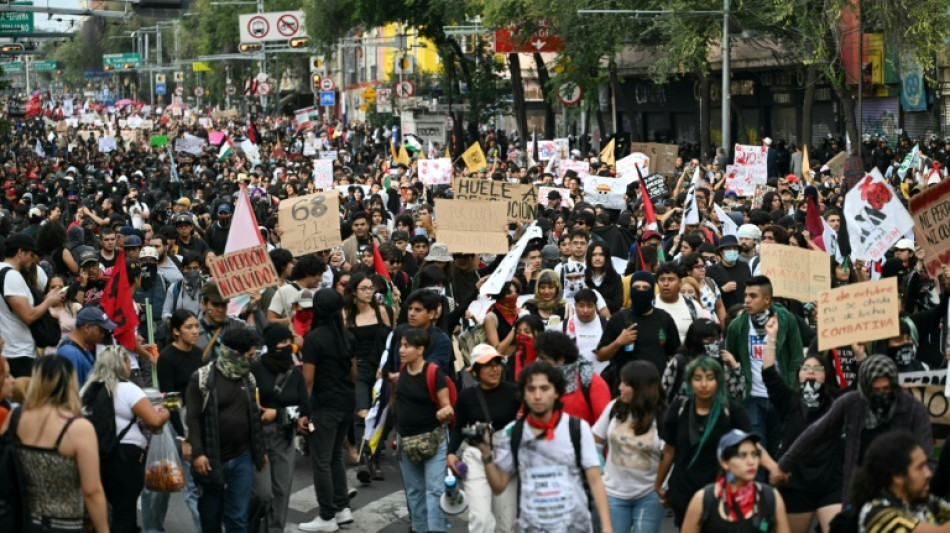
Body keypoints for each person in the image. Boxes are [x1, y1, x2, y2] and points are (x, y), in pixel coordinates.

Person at [773, 355, 933, 503]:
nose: (882, 395)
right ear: (865, 389)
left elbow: (926, 451)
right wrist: (784, 465)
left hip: (901, 488)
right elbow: (816, 433)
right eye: (876, 390)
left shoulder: (913, 409)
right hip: (859, 490)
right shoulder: (851, 404)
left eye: (886, 389)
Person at [479, 361, 613, 533]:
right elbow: (499, 486)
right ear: (524, 394)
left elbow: (595, 480)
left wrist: (607, 527)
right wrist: (486, 454)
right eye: (531, 389)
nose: (537, 395)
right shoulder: (513, 433)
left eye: (544, 388)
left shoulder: (577, 428)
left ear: (557, 392)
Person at [0, 356, 109, 532]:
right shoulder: (78, 428)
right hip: (66, 524)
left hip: (25, 522)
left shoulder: (15, 417)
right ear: (70, 383)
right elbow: (92, 491)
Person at [184, 327, 268, 533]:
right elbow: (192, 419)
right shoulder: (202, 379)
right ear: (234, 353)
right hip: (212, 461)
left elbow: (253, 417)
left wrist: (260, 450)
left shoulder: (248, 379)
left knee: (237, 518)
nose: (253, 360)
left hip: (242, 458)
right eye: (249, 355)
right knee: (211, 519)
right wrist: (198, 453)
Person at [761, 322, 843, 533]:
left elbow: (862, 385)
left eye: (817, 369)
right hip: (795, 483)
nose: (811, 373)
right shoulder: (789, 400)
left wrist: (859, 354)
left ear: (826, 375)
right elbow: (769, 373)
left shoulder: (839, 402)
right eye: (806, 368)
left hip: (830, 484)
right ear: (799, 374)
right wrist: (771, 338)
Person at [656, 356, 755, 526]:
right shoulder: (678, 409)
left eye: (710, 378)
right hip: (683, 490)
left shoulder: (732, 411)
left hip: (721, 490)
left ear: (718, 381)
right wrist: (658, 485)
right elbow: (669, 451)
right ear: (689, 382)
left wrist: (773, 469)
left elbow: (751, 448)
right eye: (697, 378)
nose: (703, 385)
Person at [82, 345, 171, 533]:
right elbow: (154, 421)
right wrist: (167, 412)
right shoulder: (129, 389)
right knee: (125, 511)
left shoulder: (87, 391)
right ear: (122, 364)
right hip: (125, 458)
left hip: (93, 455)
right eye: (129, 361)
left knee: (98, 510)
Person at [724, 275, 804, 456]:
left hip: (780, 397)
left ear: (767, 300)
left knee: (779, 452)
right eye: (746, 295)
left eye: (753, 296)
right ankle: (758, 484)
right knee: (756, 451)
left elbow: (796, 359)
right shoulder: (737, 326)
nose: (746, 300)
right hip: (752, 399)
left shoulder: (786, 320)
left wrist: (790, 389)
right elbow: (731, 363)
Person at [299, 289, 357, 532]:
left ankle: (326, 516)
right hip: (346, 403)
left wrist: (303, 411)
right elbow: (354, 373)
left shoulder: (313, 339)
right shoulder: (348, 337)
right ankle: (342, 508)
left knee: (320, 461)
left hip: (324, 406)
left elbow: (308, 381)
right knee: (334, 456)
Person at [446, 344, 520, 533]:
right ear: (476, 371)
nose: (495, 369)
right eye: (488, 365)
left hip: (505, 459)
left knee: (506, 524)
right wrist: (450, 453)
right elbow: (458, 428)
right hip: (476, 458)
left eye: (497, 363)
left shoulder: (515, 392)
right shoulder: (466, 397)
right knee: (481, 520)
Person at [145, 309, 203, 533]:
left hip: (195, 422)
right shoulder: (167, 358)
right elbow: (170, 401)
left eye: (197, 326)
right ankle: (153, 528)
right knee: (162, 483)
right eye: (189, 327)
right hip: (174, 424)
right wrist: (183, 437)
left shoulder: (199, 354)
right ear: (176, 331)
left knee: (194, 487)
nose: (195, 331)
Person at [592, 361, 666, 533]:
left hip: (649, 496)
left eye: (626, 383)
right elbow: (595, 441)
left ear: (641, 388)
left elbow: (668, 456)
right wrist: (600, 471)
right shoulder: (614, 408)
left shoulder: (662, 417)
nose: (620, 387)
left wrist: (662, 487)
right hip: (612, 494)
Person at [251, 324, 310, 533]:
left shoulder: (294, 373)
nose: (287, 347)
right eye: (282, 343)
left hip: (284, 437)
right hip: (259, 438)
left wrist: (278, 414)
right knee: (261, 493)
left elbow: (305, 406)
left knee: (281, 490)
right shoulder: (255, 369)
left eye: (289, 342)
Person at [394, 328, 454, 533]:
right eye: (401, 345)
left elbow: (446, 406)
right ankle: (419, 529)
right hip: (407, 442)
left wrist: (444, 412)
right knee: (414, 492)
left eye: (406, 346)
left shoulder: (433, 372)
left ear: (420, 349)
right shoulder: (402, 371)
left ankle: (436, 529)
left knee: (435, 490)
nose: (401, 350)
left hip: (433, 441)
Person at [680, 430, 790, 533]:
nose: (751, 462)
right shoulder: (703, 499)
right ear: (724, 463)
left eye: (754, 454)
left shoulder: (771, 497)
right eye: (742, 455)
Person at [341, 272, 393, 481]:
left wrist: (387, 366)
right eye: (364, 288)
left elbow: (392, 340)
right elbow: (343, 345)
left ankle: (375, 455)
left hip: (381, 367)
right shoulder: (346, 314)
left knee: (381, 414)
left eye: (371, 288)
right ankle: (366, 458)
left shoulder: (382, 311)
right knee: (362, 411)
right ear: (354, 291)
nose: (369, 292)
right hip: (358, 368)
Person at [852, 430, 950, 533]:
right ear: (897, 476)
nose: (928, 474)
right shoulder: (879, 514)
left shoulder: (923, 501)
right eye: (920, 468)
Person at [597, 271, 681, 391]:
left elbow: (674, 355)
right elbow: (601, 356)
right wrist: (618, 342)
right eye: (637, 287)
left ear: (652, 290)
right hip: (626, 390)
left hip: (656, 391)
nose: (641, 291)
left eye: (645, 287)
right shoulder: (618, 319)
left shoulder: (664, 318)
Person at [1, 232, 65, 377]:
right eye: (31, 254)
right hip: (18, 354)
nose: (33, 259)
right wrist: (48, 301)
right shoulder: (11, 275)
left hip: (9, 350)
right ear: (20, 252)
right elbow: (28, 316)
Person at [535, 330, 611, 425]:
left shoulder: (590, 381)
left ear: (560, 360)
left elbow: (603, 425)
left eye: (543, 359)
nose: (537, 362)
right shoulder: (535, 381)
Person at [663, 318, 743, 404]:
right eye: (708, 339)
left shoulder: (720, 362)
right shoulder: (679, 362)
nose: (714, 343)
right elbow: (664, 393)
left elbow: (738, 395)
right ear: (695, 339)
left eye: (716, 338)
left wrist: (735, 367)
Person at [56, 307, 118, 386]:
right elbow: (70, 392)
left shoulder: (81, 346)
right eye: (102, 330)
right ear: (87, 328)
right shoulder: (70, 354)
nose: (103, 335)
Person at [654, 263, 709, 343]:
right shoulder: (650, 305)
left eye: (671, 279)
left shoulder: (693, 306)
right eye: (662, 279)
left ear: (680, 282)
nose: (666, 284)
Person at [706, 235, 750, 311]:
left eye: (735, 248)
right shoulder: (711, 271)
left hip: (744, 312)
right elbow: (708, 296)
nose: (732, 251)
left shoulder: (744, 266)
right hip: (725, 314)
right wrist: (722, 290)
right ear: (721, 252)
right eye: (728, 248)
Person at [484, 280, 521, 356]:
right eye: (509, 293)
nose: (514, 296)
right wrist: (515, 329)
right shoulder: (491, 318)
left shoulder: (521, 313)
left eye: (515, 292)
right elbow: (498, 351)